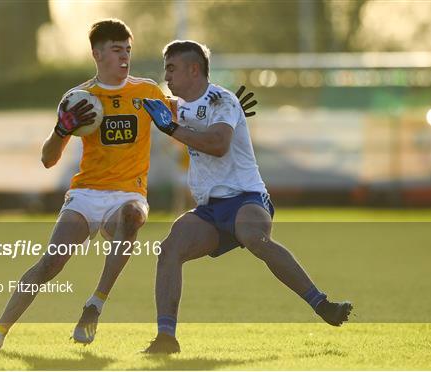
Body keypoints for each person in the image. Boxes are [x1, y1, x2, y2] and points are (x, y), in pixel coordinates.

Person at [0, 20, 257, 352]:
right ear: (97, 54)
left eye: (128, 49)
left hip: (129, 193)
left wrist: (228, 111)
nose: (125, 57)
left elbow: (191, 119)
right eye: (116, 50)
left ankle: (95, 303)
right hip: (85, 194)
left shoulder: (148, 92)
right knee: (51, 263)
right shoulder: (78, 99)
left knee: (132, 216)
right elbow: (48, 160)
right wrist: (61, 131)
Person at [141, 40, 353, 354]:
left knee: (253, 236)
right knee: (170, 248)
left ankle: (322, 304)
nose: (167, 76)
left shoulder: (221, 99)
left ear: (193, 69)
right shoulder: (181, 106)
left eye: (172, 68)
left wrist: (172, 128)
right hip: (210, 210)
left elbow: (218, 144)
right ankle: (165, 338)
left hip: (247, 197)